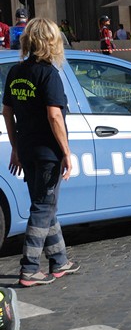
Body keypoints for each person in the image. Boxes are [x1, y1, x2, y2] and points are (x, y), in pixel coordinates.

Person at [2, 17, 81, 286]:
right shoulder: (49, 73)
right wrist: (67, 152)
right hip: (48, 151)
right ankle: (30, 268)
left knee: (47, 206)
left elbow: (7, 112)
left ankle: (59, 261)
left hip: (26, 148)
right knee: (43, 206)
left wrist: (15, 147)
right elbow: (54, 116)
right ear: (51, 42)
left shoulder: (15, 72)